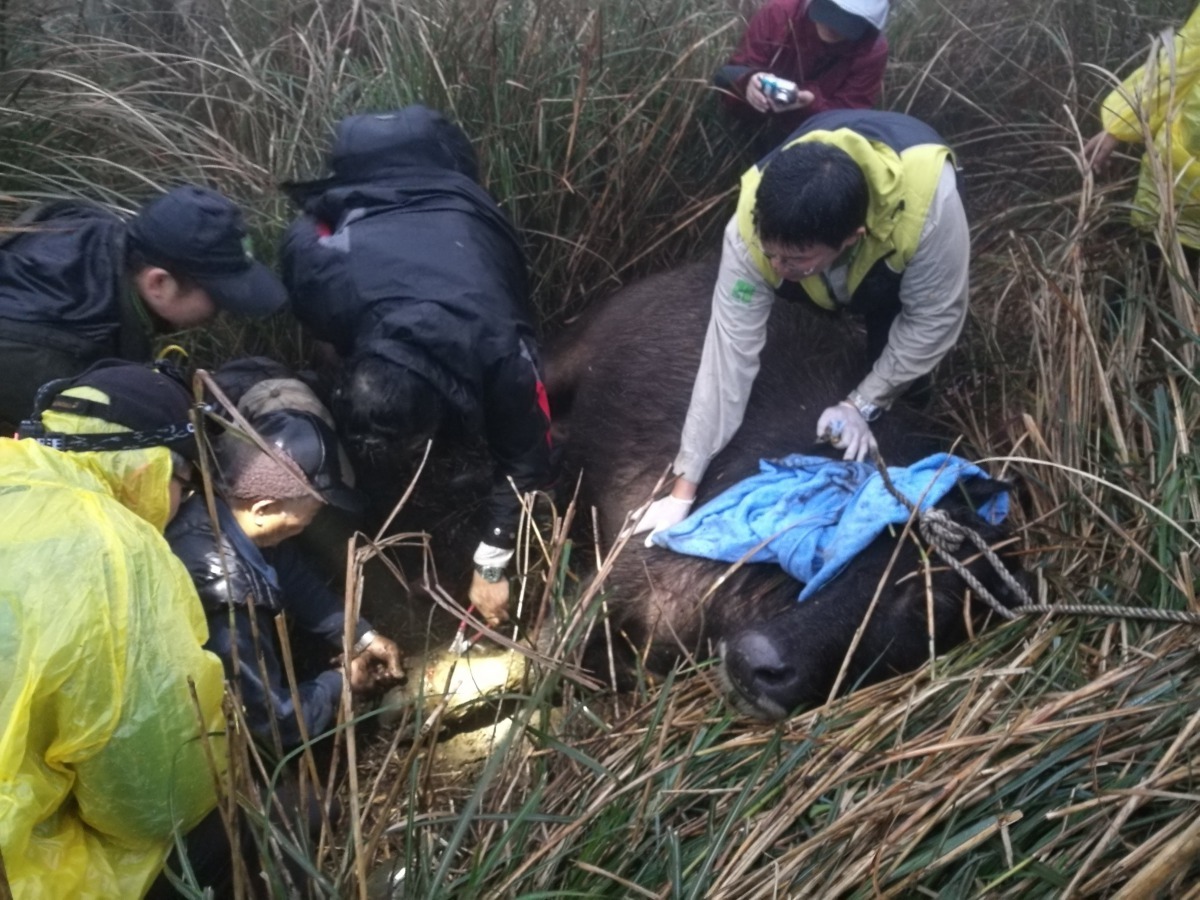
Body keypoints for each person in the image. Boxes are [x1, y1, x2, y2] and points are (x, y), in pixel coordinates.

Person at [633, 108, 970, 539]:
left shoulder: (931, 209)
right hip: (816, 246)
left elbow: (934, 318)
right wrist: (685, 487)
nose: (775, 266)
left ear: (853, 238)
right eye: (770, 252)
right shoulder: (749, 231)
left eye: (793, 259)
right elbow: (727, 358)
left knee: (901, 365)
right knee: (784, 297)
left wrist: (862, 402)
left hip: (895, 259)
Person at [280, 105, 554, 628]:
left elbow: (528, 461)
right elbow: (306, 237)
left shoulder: (503, 349)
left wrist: (492, 563)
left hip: (459, 217)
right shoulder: (317, 273)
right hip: (381, 236)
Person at [0, 360, 226, 899]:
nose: (180, 508)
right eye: (186, 487)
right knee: (208, 833)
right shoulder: (115, 550)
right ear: (148, 467)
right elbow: (153, 799)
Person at [166, 408, 405, 754]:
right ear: (263, 509)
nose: (315, 517)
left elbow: (293, 578)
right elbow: (273, 723)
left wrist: (359, 634)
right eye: (311, 509)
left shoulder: (219, 509)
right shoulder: (229, 596)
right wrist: (341, 685)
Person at [0, 184, 288, 434]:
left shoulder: (90, 226)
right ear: (158, 283)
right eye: (218, 295)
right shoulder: (58, 358)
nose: (224, 311)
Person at [1083, 4, 1200, 252]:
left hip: (1180, 176)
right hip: (1179, 181)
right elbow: (1182, 62)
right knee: (1160, 260)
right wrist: (1120, 124)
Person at [714, 0, 889, 152]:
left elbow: (848, 123)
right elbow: (729, 76)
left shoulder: (872, 51)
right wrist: (748, 83)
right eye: (831, 8)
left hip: (811, 146)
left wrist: (810, 105)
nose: (834, 26)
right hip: (745, 130)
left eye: (850, 19)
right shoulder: (780, 12)